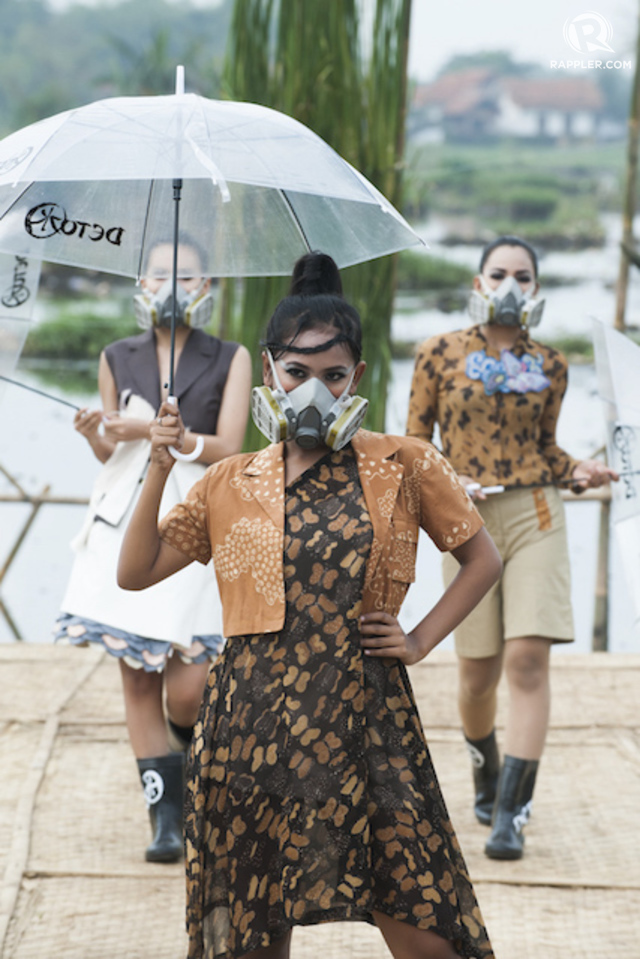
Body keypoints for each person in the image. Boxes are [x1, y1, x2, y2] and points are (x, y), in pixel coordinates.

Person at [118, 251, 502, 959]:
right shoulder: (229, 481)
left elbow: (482, 559)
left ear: (357, 376)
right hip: (250, 730)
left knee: (426, 931)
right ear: (270, 372)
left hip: (369, 724)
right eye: (297, 372)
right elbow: (135, 571)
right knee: (251, 941)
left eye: (334, 374)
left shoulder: (405, 462)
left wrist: (419, 640)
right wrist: (160, 464)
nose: (314, 391)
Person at [405, 235, 618, 861]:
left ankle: (512, 813)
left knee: (527, 660)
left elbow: (546, 448)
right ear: (478, 283)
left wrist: (579, 468)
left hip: (536, 511)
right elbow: (415, 445)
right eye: (498, 273)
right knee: (478, 674)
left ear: (536, 288)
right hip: (465, 521)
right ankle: (486, 768)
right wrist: (447, 481)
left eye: (522, 276)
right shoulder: (436, 353)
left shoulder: (551, 363)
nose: (509, 286)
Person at [55, 234, 252, 863]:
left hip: (198, 522)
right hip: (126, 522)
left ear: (206, 286)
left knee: (188, 688)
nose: (171, 285)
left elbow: (231, 445)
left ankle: (186, 756)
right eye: (159, 273)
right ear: (140, 283)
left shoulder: (231, 357)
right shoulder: (117, 356)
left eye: (186, 274)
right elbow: (113, 454)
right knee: (137, 680)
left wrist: (159, 431)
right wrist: (96, 435)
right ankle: (164, 818)